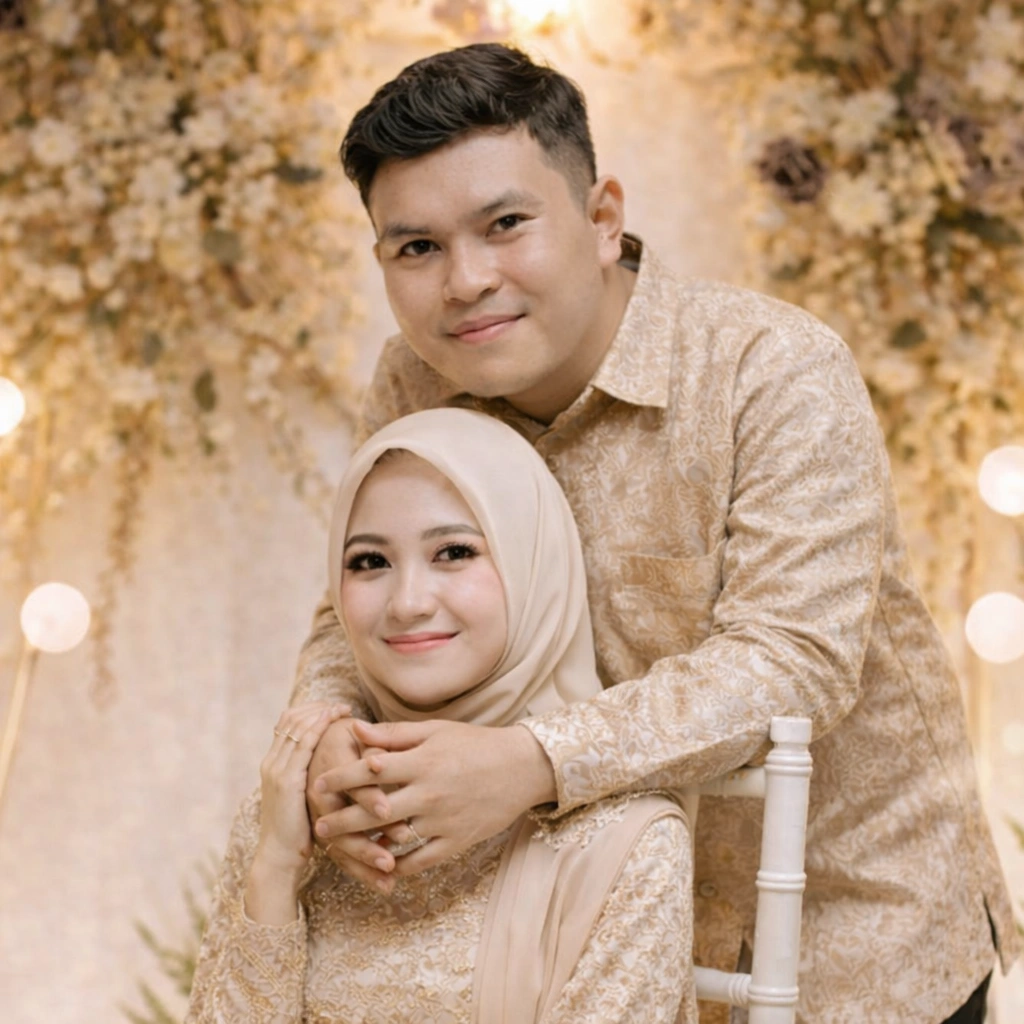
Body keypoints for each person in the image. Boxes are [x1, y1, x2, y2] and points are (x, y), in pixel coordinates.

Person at [291, 42, 1020, 1023]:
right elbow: (355, 600)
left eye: (504, 225)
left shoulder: (771, 368)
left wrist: (530, 763)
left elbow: (793, 660)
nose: (464, 280)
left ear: (602, 220)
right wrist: (326, 740)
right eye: (416, 247)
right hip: (591, 937)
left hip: (852, 938)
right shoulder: (415, 380)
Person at [187, 408, 695, 1023]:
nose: (407, 603)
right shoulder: (297, 805)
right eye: (369, 561)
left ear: (535, 567)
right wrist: (274, 868)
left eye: (454, 552)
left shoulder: (625, 846)